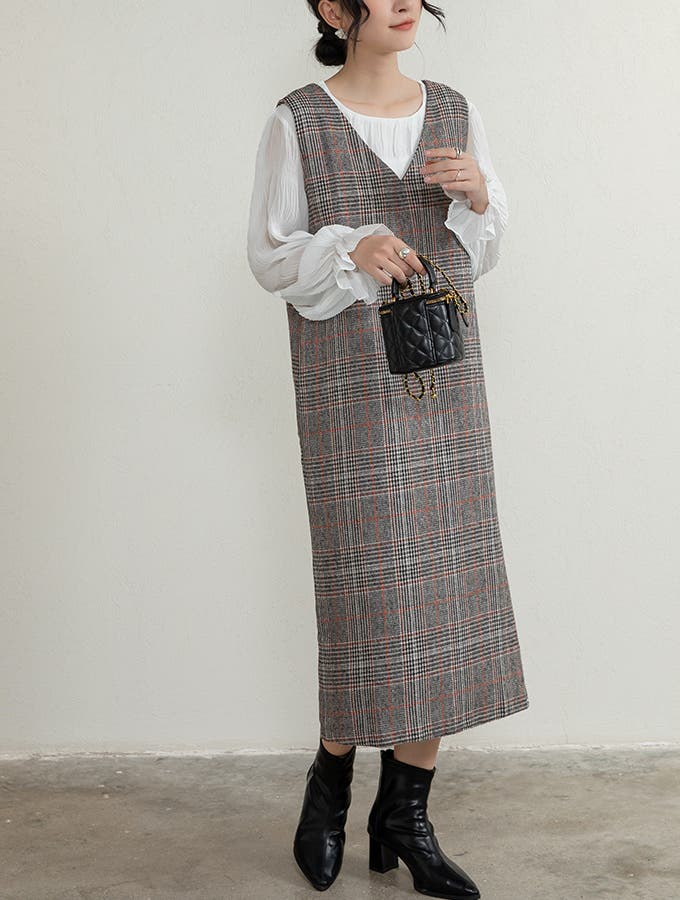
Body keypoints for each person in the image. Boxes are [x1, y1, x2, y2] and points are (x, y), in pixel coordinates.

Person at [246, 2, 530, 896]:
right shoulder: (298, 119)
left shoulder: (454, 109)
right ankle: (330, 781)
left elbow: (484, 249)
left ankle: (404, 812)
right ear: (334, 8)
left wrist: (479, 197)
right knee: (365, 585)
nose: (408, 1)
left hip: (443, 378)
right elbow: (269, 255)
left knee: (445, 584)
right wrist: (349, 244)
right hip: (349, 384)